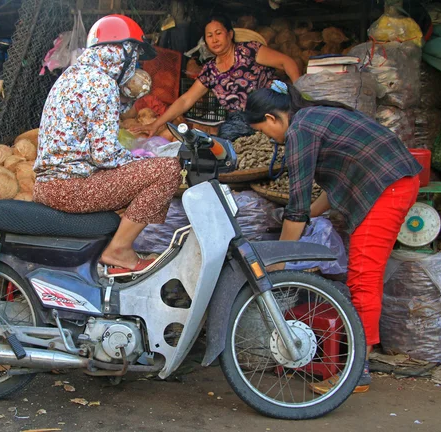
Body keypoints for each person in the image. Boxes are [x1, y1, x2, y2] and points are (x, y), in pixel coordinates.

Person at [244, 80, 422, 394]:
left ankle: (357, 373)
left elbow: (295, 208)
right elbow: (332, 186)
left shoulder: (300, 131)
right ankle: (358, 365)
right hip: (393, 179)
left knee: (363, 277)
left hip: (389, 187)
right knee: (363, 275)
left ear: (273, 118)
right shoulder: (311, 115)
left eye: (262, 130)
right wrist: (314, 213)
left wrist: (278, 262)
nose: (266, 137)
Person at [33, 14, 181, 275]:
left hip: (52, 186)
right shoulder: (101, 83)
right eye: (134, 55)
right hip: (70, 188)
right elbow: (104, 155)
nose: (135, 63)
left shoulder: (74, 75)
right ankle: (119, 249)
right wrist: (144, 163)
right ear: (121, 52)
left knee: (145, 174)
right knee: (166, 169)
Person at [134, 14, 300, 141]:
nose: (214, 39)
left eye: (218, 33)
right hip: (242, 123)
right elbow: (185, 100)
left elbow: (287, 62)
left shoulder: (249, 51)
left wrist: (298, 97)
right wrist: (156, 124)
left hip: (270, 113)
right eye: (209, 35)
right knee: (227, 133)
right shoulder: (210, 70)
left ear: (229, 34)